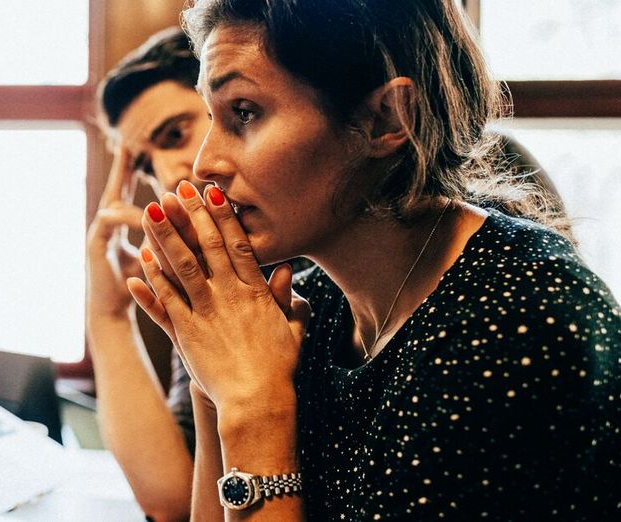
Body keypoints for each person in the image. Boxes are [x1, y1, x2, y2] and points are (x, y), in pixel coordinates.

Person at [126, 1, 621, 520]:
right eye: (212, 117)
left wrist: (255, 410)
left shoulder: (525, 321)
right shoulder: (317, 303)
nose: (206, 163)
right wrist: (215, 379)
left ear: (386, 117)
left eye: (244, 113)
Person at [86, 27, 207, 522]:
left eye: (176, 135)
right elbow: (171, 500)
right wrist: (110, 314)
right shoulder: (208, 275)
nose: (169, 176)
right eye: (147, 165)